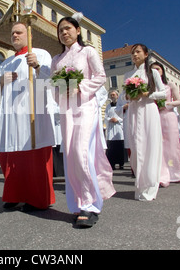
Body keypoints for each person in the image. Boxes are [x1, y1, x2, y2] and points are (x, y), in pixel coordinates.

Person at [51, 15, 115, 227]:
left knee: (81, 152)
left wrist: (80, 87)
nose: (64, 33)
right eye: (60, 31)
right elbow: (53, 89)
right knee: (70, 155)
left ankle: (91, 205)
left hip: (86, 106)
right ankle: (79, 203)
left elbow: (100, 76)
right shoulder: (56, 60)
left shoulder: (88, 51)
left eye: (68, 28)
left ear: (78, 31)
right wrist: (61, 87)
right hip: (67, 109)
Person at [0, 22, 56, 212]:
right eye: (12, 33)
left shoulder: (41, 54)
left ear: (29, 35)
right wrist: (1, 80)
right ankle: (14, 195)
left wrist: (36, 66)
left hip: (32, 114)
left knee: (32, 158)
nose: (15, 36)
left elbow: (51, 81)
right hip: (10, 117)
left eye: (19, 32)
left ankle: (36, 198)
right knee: (11, 157)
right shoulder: (5, 63)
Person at [116, 44, 165, 201]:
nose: (134, 55)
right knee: (136, 147)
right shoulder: (128, 74)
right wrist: (129, 96)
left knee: (150, 146)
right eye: (132, 52)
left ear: (145, 54)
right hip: (133, 112)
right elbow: (122, 95)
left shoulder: (152, 73)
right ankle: (139, 184)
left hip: (148, 110)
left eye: (138, 52)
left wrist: (146, 94)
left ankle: (150, 185)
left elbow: (163, 93)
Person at [150, 62, 180, 186]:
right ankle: (162, 174)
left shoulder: (170, 85)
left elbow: (179, 101)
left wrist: (167, 104)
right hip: (155, 116)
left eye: (157, 69)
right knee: (159, 145)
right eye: (152, 70)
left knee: (172, 145)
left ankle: (174, 172)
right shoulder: (151, 88)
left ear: (162, 71)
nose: (155, 72)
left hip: (168, 115)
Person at [104, 90, 125, 170]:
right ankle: (112, 164)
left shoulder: (120, 106)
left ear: (117, 96)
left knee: (119, 146)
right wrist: (110, 119)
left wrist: (118, 120)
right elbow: (105, 116)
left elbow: (124, 115)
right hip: (111, 128)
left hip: (119, 128)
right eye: (111, 95)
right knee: (111, 147)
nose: (112, 96)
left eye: (113, 95)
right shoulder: (108, 106)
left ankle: (121, 163)